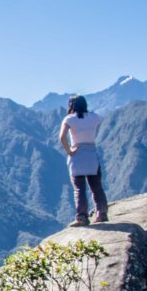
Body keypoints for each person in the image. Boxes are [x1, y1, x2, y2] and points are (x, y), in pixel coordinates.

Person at [59, 94, 108, 227]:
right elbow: (98, 125)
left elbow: (62, 137)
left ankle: (82, 217)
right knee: (96, 187)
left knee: (79, 189)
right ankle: (102, 213)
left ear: (71, 105)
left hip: (77, 155)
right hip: (91, 153)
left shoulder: (69, 119)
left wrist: (69, 151)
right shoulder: (94, 117)